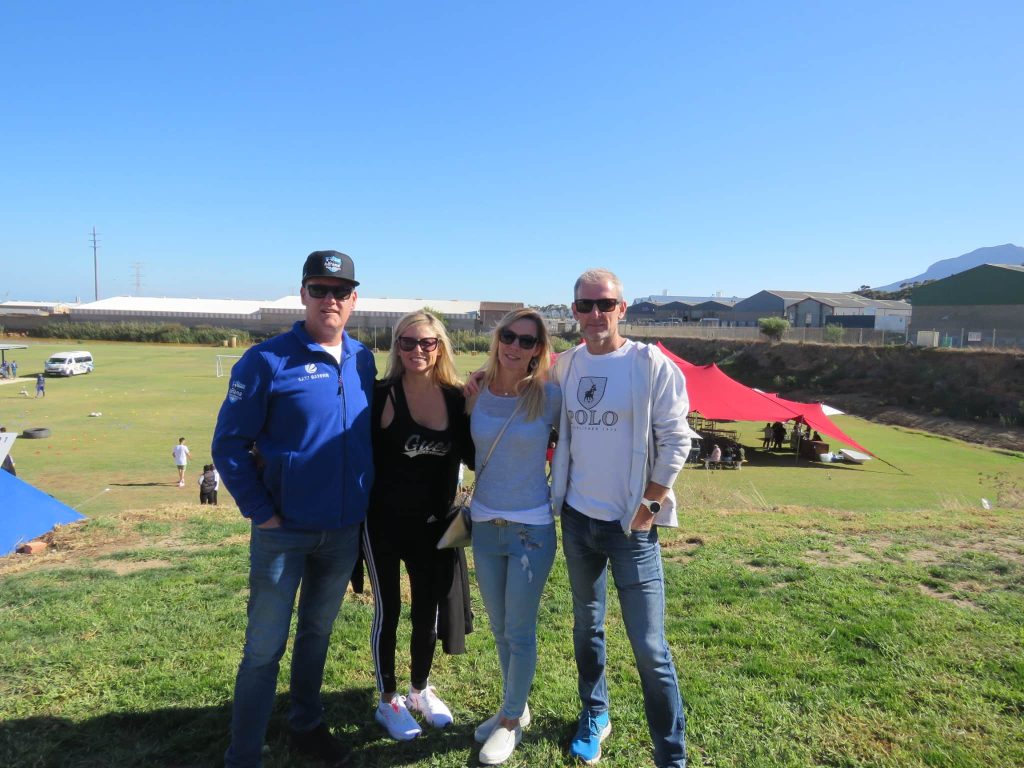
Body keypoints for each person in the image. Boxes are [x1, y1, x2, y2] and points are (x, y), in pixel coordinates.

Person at [212, 250, 375, 768]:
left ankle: (305, 725)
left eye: (340, 291)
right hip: (283, 531)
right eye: (320, 289)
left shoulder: (363, 359)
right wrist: (263, 513)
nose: (330, 300)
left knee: (317, 634)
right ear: (303, 293)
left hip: (343, 530)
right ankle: (244, 752)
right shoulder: (267, 359)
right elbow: (228, 445)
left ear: (354, 299)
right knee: (264, 647)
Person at [550, 268, 693, 768]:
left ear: (621, 308)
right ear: (573, 312)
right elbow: (523, 392)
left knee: (650, 648)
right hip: (577, 520)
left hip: (631, 529)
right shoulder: (565, 366)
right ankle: (596, 713)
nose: (595, 315)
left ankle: (670, 755)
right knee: (586, 628)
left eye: (604, 305)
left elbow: (678, 440)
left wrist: (649, 507)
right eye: (585, 306)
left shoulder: (649, 364)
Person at [362, 311, 474, 742]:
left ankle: (419, 691)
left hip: (435, 526)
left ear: (440, 346)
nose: (416, 351)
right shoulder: (381, 395)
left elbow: (474, 454)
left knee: (427, 612)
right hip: (383, 523)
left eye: (426, 343)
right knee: (388, 611)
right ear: (396, 346)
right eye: (407, 342)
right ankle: (388, 699)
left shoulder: (456, 397)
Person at [468, 309, 561, 765]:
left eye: (528, 342)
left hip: (531, 530)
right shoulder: (476, 390)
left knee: (520, 630)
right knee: (500, 628)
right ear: (497, 338)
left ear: (539, 351)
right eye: (509, 336)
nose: (516, 347)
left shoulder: (549, 395)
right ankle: (515, 708)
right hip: (484, 527)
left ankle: (508, 723)